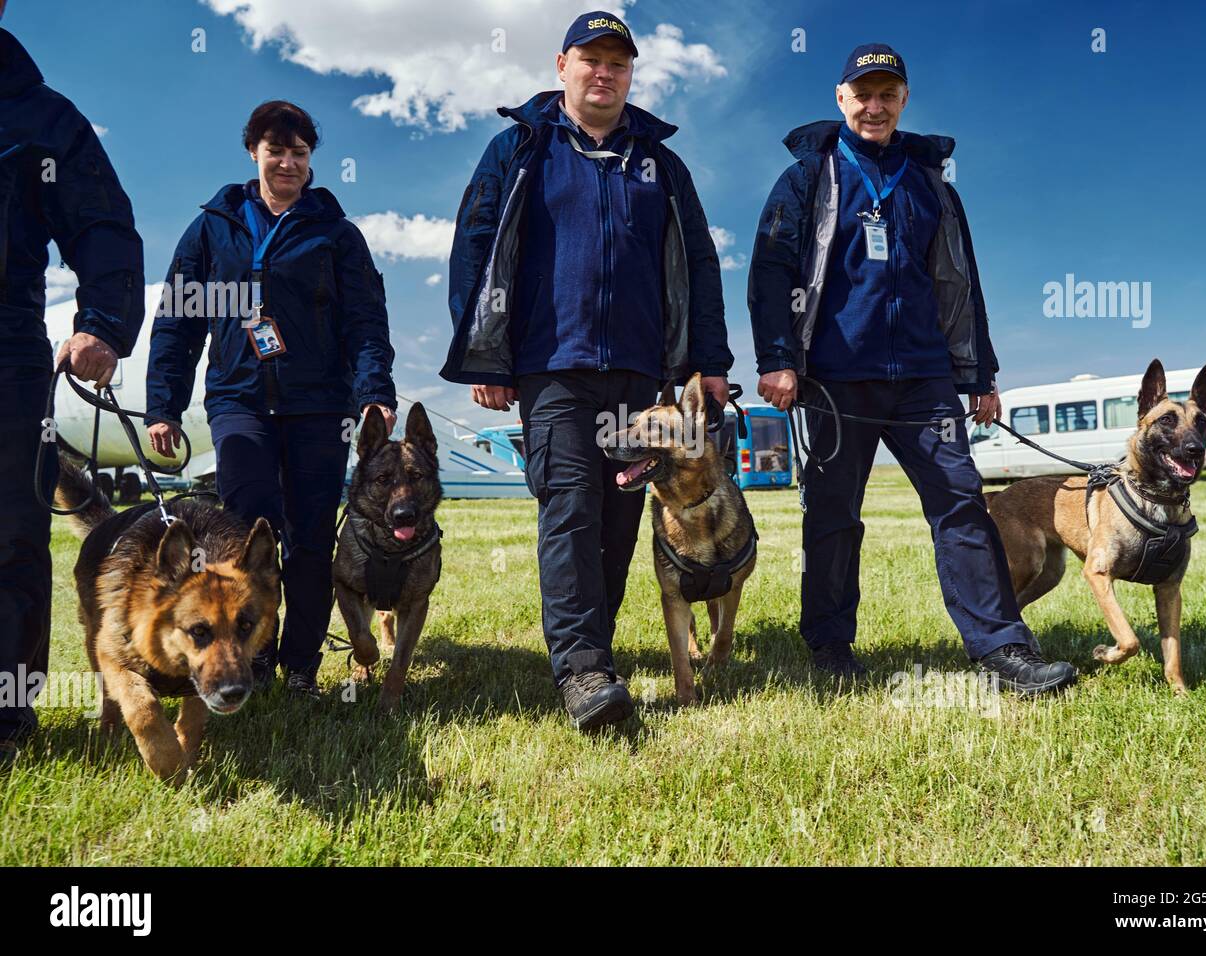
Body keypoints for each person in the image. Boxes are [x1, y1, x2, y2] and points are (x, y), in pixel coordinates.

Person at [747, 42, 1077, 695]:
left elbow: (958, 280)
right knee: (834, 514)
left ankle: (1002, 649)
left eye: (887, 95)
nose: (874, 105)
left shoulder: (929, 182)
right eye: (862, 94)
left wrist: (977, 372)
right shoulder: (809, 178)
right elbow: (770, 271)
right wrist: (780, 359)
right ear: (841, 99)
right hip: (837, 377)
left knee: (961, 503)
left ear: (903, 101)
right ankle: (831, 646)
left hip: (925, 378)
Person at [440, 11, 732, 730]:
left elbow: (699, 263)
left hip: (637, 373)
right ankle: (582, 672)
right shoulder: (520, 150)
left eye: (619, 63)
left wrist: (710, 362)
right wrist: (488, 349)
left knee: (619, 520)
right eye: (591, 60)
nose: (604, 73)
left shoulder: (661, 165)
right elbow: (475, 250)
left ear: (630, 75)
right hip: (553, 368)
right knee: (569, 511)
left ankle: (593, 651)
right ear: (562, 66)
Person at [146, 100, 397, 698]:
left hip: (318, 406)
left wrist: (374, 393)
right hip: (239, 402)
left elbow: (365, 320)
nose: (287, 162)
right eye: (275, 150)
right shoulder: (212, 228)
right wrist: (163, 404)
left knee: (310, 539)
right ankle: (250, 657)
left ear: (311, 160)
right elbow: (177, 321)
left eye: (300, 153)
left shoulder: (336, 234)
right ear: (253, 152)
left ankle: (301, 666)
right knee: (245, 537)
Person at [0, 9, 146, 768]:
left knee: (10, 537)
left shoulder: (43, 115)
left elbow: (103, 227)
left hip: (7, 351)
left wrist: (105, 323)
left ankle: (4, 725)